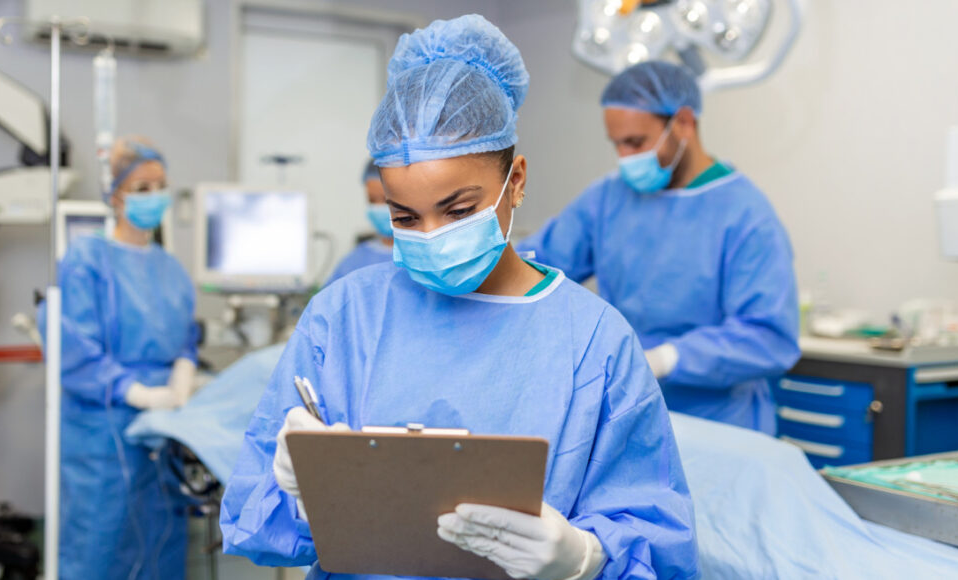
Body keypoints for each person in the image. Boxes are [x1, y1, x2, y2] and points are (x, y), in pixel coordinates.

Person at [220, 15, 697, 580]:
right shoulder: (345, 317)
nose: (431, 236)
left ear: (515, 180)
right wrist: (300, 493)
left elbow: (659, 543)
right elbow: (253, 516)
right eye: (405, 217)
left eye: (459, 210)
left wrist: (586, 558)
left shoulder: (593, 340)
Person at [518, 61, 800, 435]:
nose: (625, 157)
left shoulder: (745, 214)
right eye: (617, 144)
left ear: (683, 123)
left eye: (636, 142)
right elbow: (533, 266)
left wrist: (666, 359)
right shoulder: (608, 198)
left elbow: (769, 338)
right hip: (629, 411)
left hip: (717, 423)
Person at [43, 136, 197, 579]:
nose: (154, 197)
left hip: (163, 431)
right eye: (142, 187)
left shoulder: (171, 269)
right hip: (103, 428)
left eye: (160, 186)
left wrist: (183, 374)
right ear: (116, 196)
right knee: (98, 544)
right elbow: (73, 347)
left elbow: (185, 336)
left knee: (160, 543)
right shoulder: (86, 260)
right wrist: (135, 391)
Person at [325, 160, 394, 285]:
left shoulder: (421, 259)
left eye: (385, 199)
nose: (378, 207)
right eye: (372, 200)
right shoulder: (355, 261)